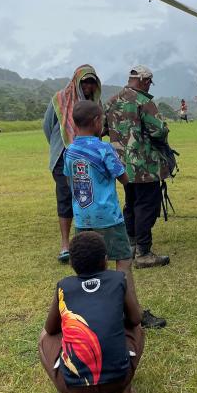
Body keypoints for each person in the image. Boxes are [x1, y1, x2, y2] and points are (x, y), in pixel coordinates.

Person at [63, 99, 166, 329]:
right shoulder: (103, 148)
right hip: (108, 218)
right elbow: (124, 177)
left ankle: (95, 315)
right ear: (98, 122)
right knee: (123, 262)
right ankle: (133, 314)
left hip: (82, 218)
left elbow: (70, 181)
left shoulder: (70, 151)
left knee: (92, 267)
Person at [38, 231, 144, 393]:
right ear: (105, 259)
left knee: (44, 336)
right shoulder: (118, 280)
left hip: (73, 389)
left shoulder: (64, 286)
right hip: (119, 380)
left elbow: (50, 328)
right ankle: (124, 392)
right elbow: (135, 319)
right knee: (138, 328)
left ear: (71, 263)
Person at [104, 65, 171, 269]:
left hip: (121, 166)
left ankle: (130, 245)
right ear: (143, 80)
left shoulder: (111, 101)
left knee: (131, 203)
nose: (149, 86)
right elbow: (159, 131)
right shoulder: (144, 102)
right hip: (145, 167)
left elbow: (102, 129)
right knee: (146, 206)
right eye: (149, 82)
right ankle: (144, 252)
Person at [43, 64, 101, 263]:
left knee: (88, 195)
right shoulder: (59, 99)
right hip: (63, 157)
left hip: (88, 158)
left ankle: (88, 241)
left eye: (92, 82)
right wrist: (63, 144)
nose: (88, 86)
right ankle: (66, 245)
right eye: (85, 81)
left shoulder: (95, 102)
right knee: (66, 197)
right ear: (76, 81)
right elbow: (47, 126)